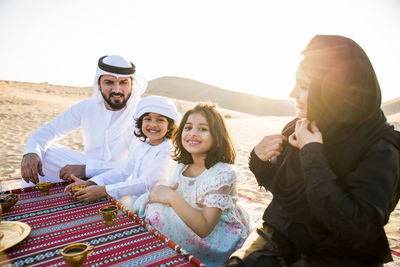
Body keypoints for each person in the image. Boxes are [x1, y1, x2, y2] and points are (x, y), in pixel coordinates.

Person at [223, 35, 400, 266]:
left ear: (336, 90)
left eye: (304, 86)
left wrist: (313, 153)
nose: (292, 93)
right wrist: (259, 159)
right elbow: (285, 192)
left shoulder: (383, 147)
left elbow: (359, 228)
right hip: (280, 236)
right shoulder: (304, 125)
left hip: (337, 254)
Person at [133, 103, 251, 266]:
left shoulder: (222, 174)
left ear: (217, 136)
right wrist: (164, 195)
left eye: (202, 129)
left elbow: (204, 228)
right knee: (148, 203)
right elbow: (171, 196)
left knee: (156, 211)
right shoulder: (180, 167)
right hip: (187, 217)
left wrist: (171, 196)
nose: (193, 134)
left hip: (214, 235)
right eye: (188, 128)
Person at [20, 55, 147, 187]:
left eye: (123, 82)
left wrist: (85, 169)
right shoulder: (87, 107)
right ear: (99, 84)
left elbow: (136, 164)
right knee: (42, 151)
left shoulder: (142, 113)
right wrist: (31, 152)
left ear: (132, 85)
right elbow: (50, 130)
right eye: (109, 82)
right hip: (87, 167)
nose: (116, 89)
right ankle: (33, 202)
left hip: (121, 176)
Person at [64, 96, 180, 209]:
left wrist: (103, 191)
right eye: (147, 119)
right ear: (141, 122)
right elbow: (122, 171)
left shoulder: (167, 150)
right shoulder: (142, 147)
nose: (153, 124)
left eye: (160, 120)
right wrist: (92, 183)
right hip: (136, 203)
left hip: (156, 207)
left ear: (169, 126)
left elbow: (145, 183)